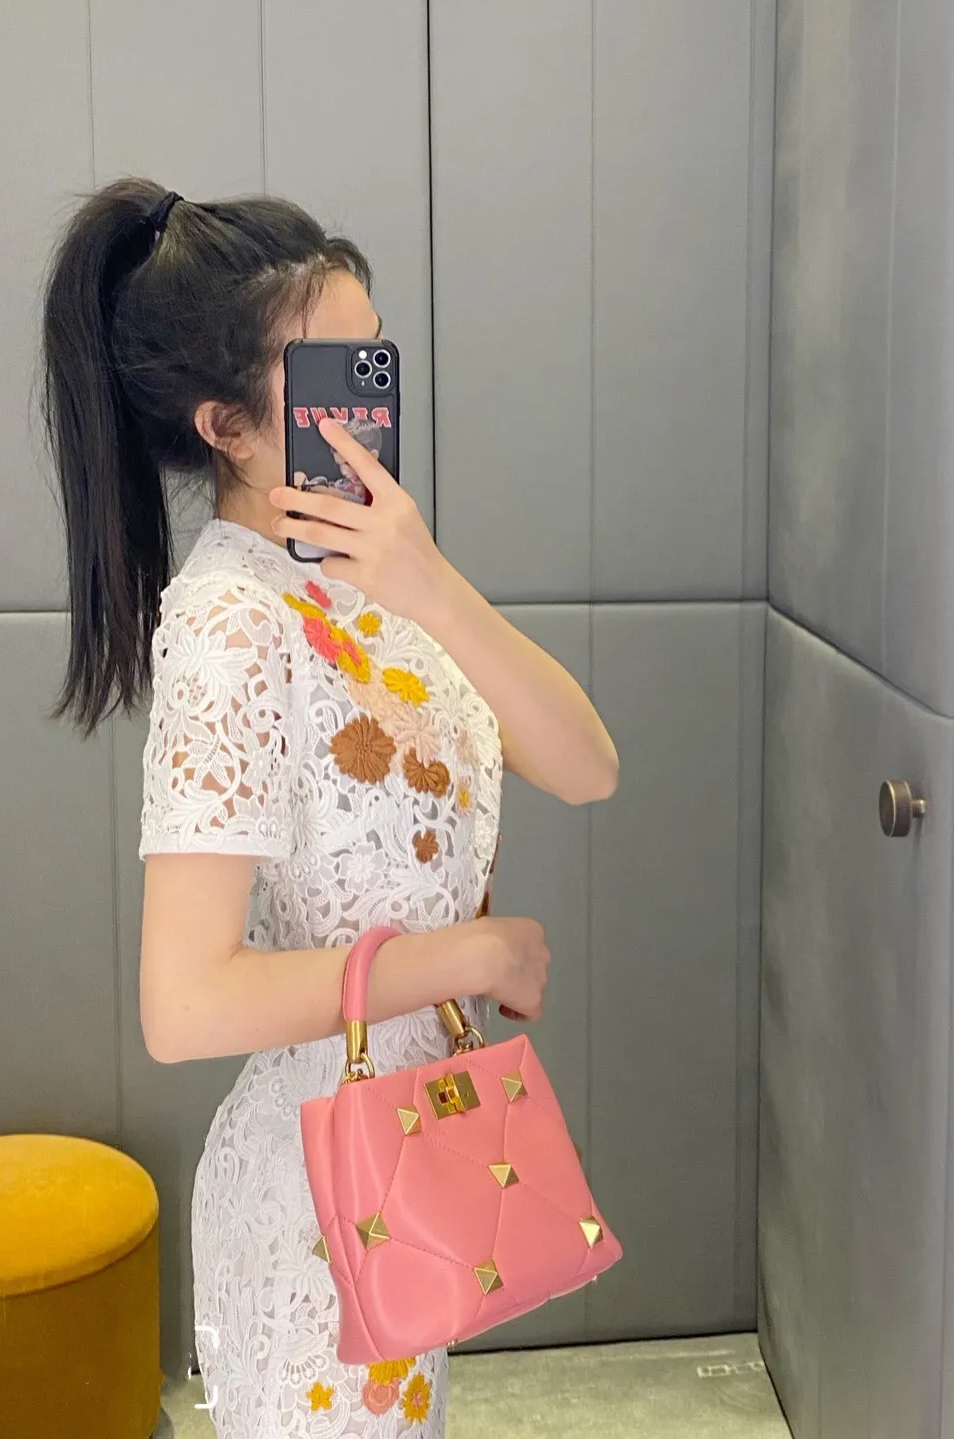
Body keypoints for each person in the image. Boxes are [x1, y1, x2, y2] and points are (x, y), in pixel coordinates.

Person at [38, 179, 620, 1437]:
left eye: (374, 363)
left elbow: (586, 766)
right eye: (328, 380)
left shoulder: (373, 580)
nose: (365, 409)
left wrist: (428, 581)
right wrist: (464, 957)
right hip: (312, 1212)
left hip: (408, 1164)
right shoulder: (228, 628)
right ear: (229, 428)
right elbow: (182, 1006)